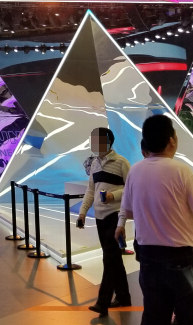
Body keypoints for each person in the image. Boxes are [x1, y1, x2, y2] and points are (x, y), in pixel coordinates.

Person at [116, 115, 193, 325]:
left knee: (154, 317)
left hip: (148, 258)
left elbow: (129, 212)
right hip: (181, 258)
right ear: (171, 140)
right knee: (190, 318)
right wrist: (191, 220)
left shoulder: (135, 171)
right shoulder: (182, 171)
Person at [78, 127, 132, 316]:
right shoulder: (94, 164)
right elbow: (90, 190)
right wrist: (83, 212)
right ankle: (124, 297)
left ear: (108, 142)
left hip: (114, 215)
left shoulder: (121, 163)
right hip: (99, 217)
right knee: (113, 258)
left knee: (109, 258)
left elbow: (131, 189)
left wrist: (113, 195)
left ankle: (103, 302)